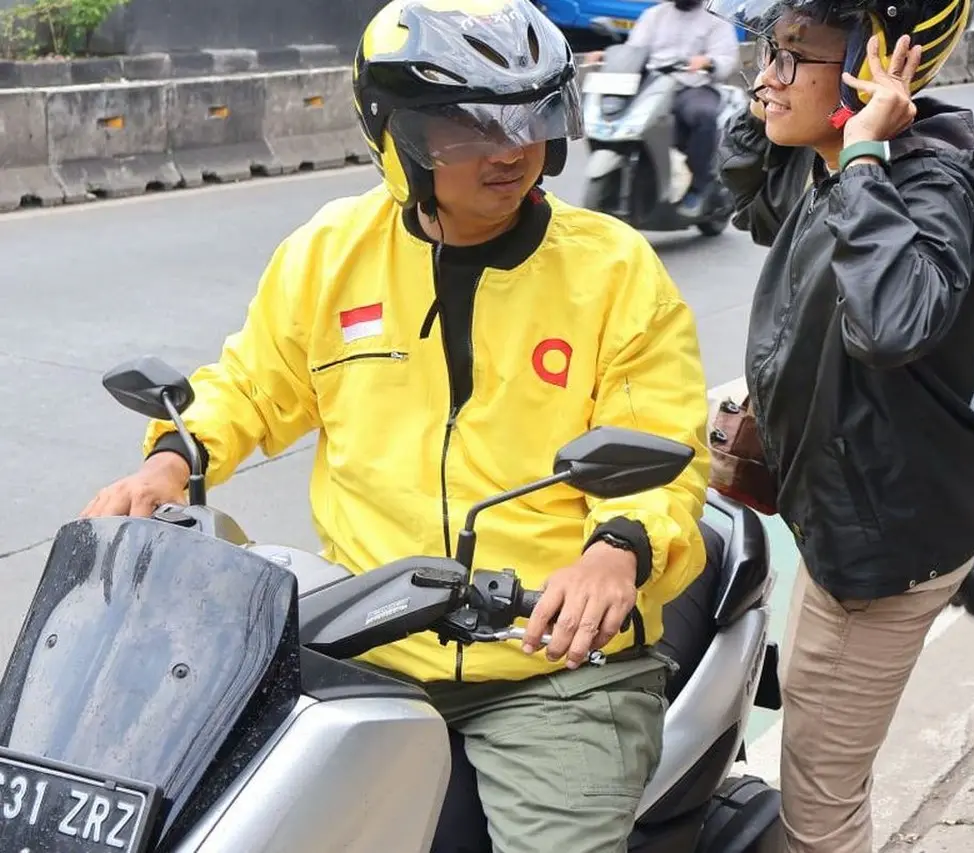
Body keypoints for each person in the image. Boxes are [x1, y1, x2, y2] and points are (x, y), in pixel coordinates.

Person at [79, 0, 712, 850]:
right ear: (396, 134)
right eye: (468, 127)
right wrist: (173, 459)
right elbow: (251, 384)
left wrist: (615, 549)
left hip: (550, 663)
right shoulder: (330, 251)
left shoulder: (614, 270)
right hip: (361, 639)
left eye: (530, 116)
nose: (510, 148)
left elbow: (663, 446)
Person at [705, 0, 974, 850]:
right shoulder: (830, 162)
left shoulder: (924, 184)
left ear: (876, 66)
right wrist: (772, 101)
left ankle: (937, 574)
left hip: (871, 545)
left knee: (819, 804)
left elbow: (891, 323)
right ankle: (956, 569)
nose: (768, 77)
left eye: (793, 57)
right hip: (867, 476)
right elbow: (753, 206)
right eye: (765, 52)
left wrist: (861, 158)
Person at [584, 0, 742, 216]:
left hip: (693, 85)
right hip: (653, 83)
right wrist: (608, 55)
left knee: (702, 116)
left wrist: (708, 62)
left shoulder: (716, 20)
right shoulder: (654, 15)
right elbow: (634, 48)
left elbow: (726, 59)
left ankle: (699, 186)